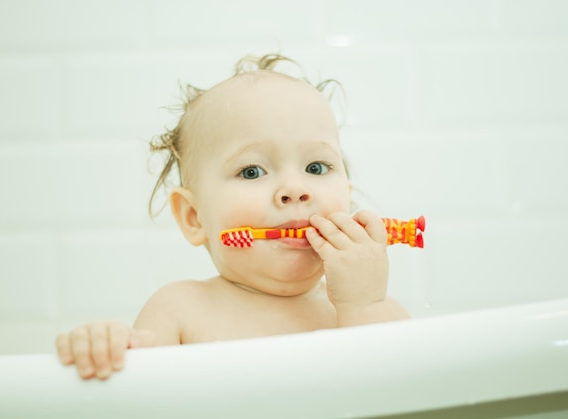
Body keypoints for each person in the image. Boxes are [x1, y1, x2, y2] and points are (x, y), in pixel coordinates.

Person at [56, 54, 409, 380]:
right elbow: (139, 400)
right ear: (194, 217)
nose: (295, 189)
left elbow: (404, 396)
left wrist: (364, 305)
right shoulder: (181, 309)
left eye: (316, 167)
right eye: (252, 171)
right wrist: (109, 347)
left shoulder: (374, 311)